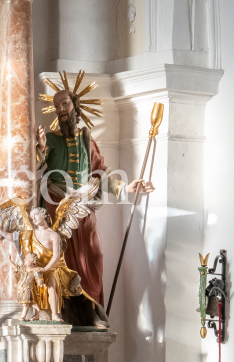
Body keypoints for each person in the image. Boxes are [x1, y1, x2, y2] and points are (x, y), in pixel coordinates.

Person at [37, 89, 153, 326]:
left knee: (91, 257)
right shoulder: (51, 139)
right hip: (55, 209)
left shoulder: (87, 141)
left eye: (65, 103)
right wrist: (39, 148)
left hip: (84, 208)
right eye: (56, 105)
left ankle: (90, 313)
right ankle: (60, 312)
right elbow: (35, 162)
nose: (60, 109)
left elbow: (101, 173)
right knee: (61, 263)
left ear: (75, 105)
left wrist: (125, 188)